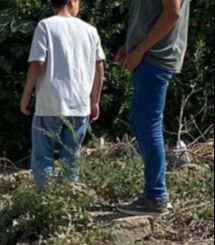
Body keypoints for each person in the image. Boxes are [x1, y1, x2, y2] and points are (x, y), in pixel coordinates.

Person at [117, 0, 192, 216]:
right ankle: (154, 195)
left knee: (147, 125)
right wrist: (132, 47)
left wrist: (139, 50)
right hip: (152, 56)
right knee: (143, 123)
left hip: (154, 58)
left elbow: (172, 14)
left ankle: (155, 197)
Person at [20, 0, 104, 187]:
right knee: (71, 158)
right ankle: (69, 197)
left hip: (50, 102)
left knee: (43, 157)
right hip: (79, 104)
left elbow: (37, 63)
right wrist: (95, 100)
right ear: (72, 2)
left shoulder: (46, 26)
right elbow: (99, 67)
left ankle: (47, 201)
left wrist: (26, 97)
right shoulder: (90, 30)